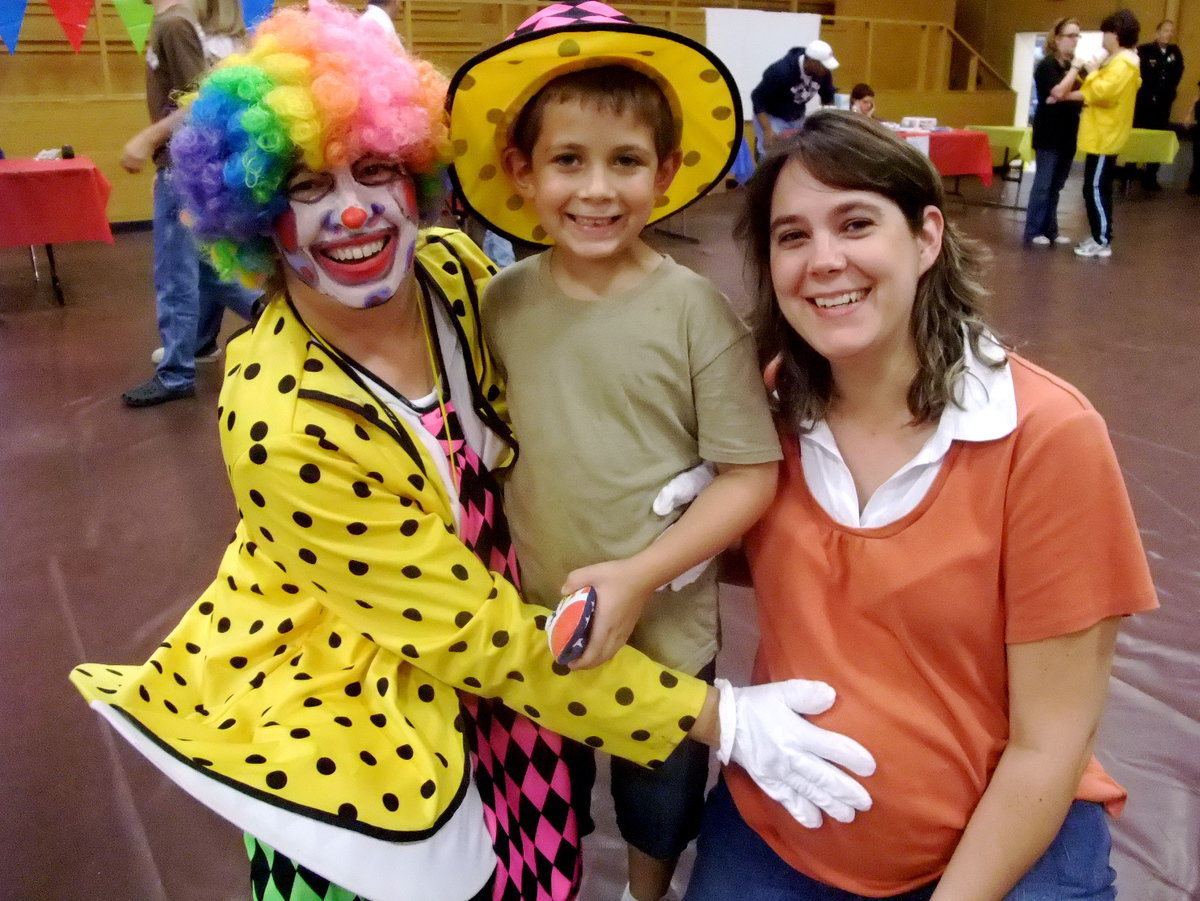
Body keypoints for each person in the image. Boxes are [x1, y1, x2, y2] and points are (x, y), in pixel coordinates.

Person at [71, 6, 876, 901]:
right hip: (364, 716)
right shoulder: (282, 412)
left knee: (541, 869)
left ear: (414, 176)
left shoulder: (453, 276)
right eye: (304, 185)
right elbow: (471, 633)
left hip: (521, 681)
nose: (350, 209)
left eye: (374, 169)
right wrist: (715, 716)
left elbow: (589, 356)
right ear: (257, 216)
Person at [683, 110, 1158, 901]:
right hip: (788, 819)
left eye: (856, 223)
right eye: (792, 237)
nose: (824, 260)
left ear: (927, 236)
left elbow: (1052, 741)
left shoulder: (1044, 436)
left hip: (1003, 840)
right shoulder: (762, 415)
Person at [448, 5, 782, 899]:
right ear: (521, 172)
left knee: (658, 799)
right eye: (569, 160)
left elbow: (752, 473)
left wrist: (641, 575)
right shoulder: (498, 303)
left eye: (626, 161)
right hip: (527, 622)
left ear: (667, 172)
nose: (597, 190)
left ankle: (644, 892)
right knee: (539, 788)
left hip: (665, 636)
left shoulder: (694, 311)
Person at [119, 0, 258, 406]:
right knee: (207, 271)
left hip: (182, 163)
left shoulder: (175, 24)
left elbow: (200, 102)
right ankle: (282, 319)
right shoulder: (170, 22)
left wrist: (148, 142)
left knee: (175, 274)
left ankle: (176, 374)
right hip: (177, 164)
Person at [1051, 9, 1142, 259]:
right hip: (1101, 134)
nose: (1103, 38)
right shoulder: (1118, 61)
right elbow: (1096, 91)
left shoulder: (1123, 63)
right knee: (1095, 187)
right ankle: (1099, 235)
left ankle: (1102, 239)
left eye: (1106, 33)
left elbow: (1103, 92)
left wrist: (1091, 71)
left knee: (1095, 187)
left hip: (1106, 135)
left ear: (1116, 34)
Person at [1023, 17, 1083, 246]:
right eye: (1070, 35)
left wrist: (1063, 94)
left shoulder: (1073, 68)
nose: (1074, 41)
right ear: (1057, 39)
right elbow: (1057, 90)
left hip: (1069, 131)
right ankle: (1033, 229)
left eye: (1077, 35)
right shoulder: (1047, 65)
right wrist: (1068, 82)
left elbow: (1083, 93)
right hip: (1049, 132)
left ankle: (1051, 229)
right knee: (1044, 183)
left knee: (1057, 185)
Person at [750, 39, 838, 161]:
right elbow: (757, 97)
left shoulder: (823, 73)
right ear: (812, 62)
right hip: (771, 116)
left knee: (796, 156)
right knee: (770, 156)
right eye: (824, 65)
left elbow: (827, 97)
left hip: (796, 116)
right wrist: (767, 130)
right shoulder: (780, 71)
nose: (827, 69)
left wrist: (830, 124)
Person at [1134, 20, 1184, 190]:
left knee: (1158, 137)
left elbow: (1178, 72)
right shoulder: (1145, 50)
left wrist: (1169, 92)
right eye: (1165, 30)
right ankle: (1131, 170)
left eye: (1171, 31)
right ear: (1157, 32)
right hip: (1144, 102)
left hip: (1163, 103)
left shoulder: (1174, 52)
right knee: (1139, 135)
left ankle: (1151, 175)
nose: (1168, 34)